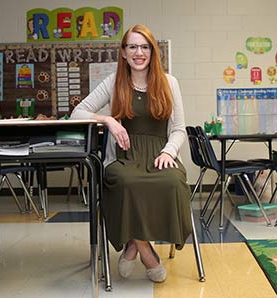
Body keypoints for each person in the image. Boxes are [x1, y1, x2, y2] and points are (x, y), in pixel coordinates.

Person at [70, 24, 192, 283]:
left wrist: (169, 151)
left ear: (152, 52)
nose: (139, 52)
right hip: (125, 157)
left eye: (145, 47)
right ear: (123, 52)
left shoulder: (170, 82)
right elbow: (77, 113)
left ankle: (133, 245)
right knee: (124, 182)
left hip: (161, 154)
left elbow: (180, 129)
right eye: (133, 46)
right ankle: (147, 252)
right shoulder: (113, 82)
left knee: (172, 182)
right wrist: (108, 120)